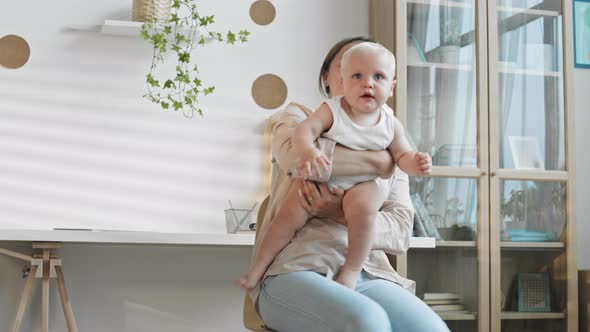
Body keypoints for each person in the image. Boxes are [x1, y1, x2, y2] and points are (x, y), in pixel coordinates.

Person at [244, 36, 450, 331]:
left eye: (376, 74)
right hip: (297, 267)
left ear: (389, 85)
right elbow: (294, 159)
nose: (365, 82)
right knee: (367, 322)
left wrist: (338, 212)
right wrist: (379, 163)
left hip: (370, 273)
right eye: (353, 71)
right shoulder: (298, 117)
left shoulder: (389, 135)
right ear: (329, 77)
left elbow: (401, 231)